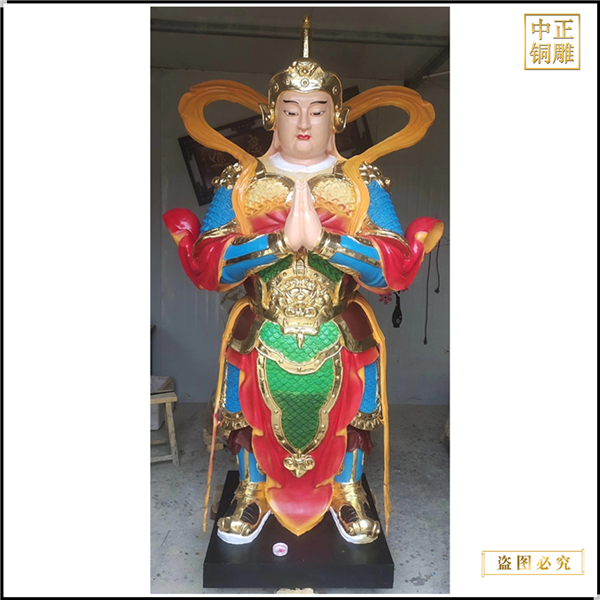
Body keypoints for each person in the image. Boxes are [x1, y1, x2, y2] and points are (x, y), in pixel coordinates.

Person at [163, 17, 443, 545]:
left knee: (353, 409)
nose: (305, 123)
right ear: (272, 115)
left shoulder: (362, 182)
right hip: (261, 322)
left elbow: (393, 269)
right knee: (246, 408)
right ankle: (252, 488)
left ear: (337, 117)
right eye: (292, 110)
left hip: (339, 325)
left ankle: (346, 488)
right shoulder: (241, 179)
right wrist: (275, 242)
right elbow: (208, 266)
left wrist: (327, 242)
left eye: (318, 110)